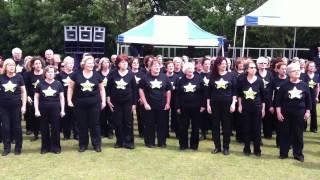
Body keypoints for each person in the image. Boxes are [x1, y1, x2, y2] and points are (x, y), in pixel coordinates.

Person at [68, 55, 106, 152]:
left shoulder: (98, 75)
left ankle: (96, 144)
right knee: (82, 124)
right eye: (89, 63)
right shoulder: (76, 74)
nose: (91, 65)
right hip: (80, 104)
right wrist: (69, 100)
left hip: (95, 104)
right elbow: (70, 88)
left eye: (92, 63)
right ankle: (83, 145)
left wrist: (104, 101)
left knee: (95, 124)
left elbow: (102, 89)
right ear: (83, 64)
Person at [276, 63, 311, 162]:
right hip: (285, 113)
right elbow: (278, 100)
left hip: (300, 113)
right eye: (294, 71)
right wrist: (278, 113)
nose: (297, 72)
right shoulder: (284, 85)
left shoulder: (304, 85)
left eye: (298, 70)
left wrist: (308, 112)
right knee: (285, 133)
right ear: (289, 73)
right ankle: (283, 153)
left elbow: (308, 100)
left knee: (298, 134)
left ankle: (298, 154)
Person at [206, 57, 237, 155]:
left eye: (225, 63)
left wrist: (233, 103)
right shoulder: (212, 76)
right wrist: (208, 105)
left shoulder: (231, 75)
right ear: (217, 65)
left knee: (226, 127)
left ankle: (226, 147)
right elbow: (209, 92)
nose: (224, 65)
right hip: (215, 104)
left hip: (227, 104)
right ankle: (217, 147)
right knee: (215, 127)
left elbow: (235, 91)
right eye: (222, 64)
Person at [139, 57, 171, 148]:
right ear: (150, 67)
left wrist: (168, 103)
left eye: (158, 65)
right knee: (149, 124)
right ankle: (150, 142)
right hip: (149, 105)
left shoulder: (165, 77)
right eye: (155, 65)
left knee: (162, 124)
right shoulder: (145, 78)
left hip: (162, 105)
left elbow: (168, 90)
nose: (157, 67)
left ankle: (162, 142)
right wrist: (145, 103)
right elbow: (141, 90)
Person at [107, 54, 137, 149]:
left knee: (128, 122)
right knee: (118, 122)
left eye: (126, 62)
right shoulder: (112, 73)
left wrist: (134, 104)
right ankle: (119, 141)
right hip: (116, 102)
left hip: (128, 102)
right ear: (118, 64)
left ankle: (129, 142)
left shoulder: (131, 74)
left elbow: (134, 90)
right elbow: (108, 88)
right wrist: (108, 99)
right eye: (122, 62)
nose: (125, 64)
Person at [34, 66, 65, 154]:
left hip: (55, 108)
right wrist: (36, 110)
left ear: (54, 74)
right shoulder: (40, 84)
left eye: (52, 72)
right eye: (48, 72)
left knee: (56, 128)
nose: (51, 74)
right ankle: (45, 147)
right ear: (45, 74)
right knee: (44, 128)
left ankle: (55, 147)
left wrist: (62, 110)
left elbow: (62, 98)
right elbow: (36, 98)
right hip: (43, 108)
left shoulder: (58, 84)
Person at [238, 60, 265, 156]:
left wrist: (263, 109)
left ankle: (257, 149)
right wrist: (240, 105)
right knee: (246, 128)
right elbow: (240, 95)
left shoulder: (259, 81)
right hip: (245, 108)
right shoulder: (242, 80)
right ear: (247, 69)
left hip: (257, 107)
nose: (254, 69)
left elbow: (263, 96)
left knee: (257, 129)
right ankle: (247, 148)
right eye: (251, 68)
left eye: (255, 67)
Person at [0, 59, 27, 156]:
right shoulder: (1, 77)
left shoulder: (19, 77)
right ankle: (6, 148)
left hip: (16, 106)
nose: (12, 67)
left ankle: (18, 148)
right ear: (5, 67)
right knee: (5, 128)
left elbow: (23, 92)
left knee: (17, 127)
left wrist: (24, 105)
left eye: (13, 65)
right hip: (3, 107)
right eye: (9, 65)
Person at [175, 62, 204, 150]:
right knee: (183, 127)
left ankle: (194, 145)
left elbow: (203, 93)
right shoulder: (180, 80)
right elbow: (177, 95)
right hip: (184, 107)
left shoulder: (199, 79)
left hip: (197, 107)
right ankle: (183, 145)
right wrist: (178, 107)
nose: (190, 70)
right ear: (185, 71)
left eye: (191, 68)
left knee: (195, 127)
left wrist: (203, 105)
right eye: (188, 69)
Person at [56, 56, 78, 140]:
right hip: (63, 99)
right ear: (64, 64)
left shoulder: (76, 74)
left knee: (75, 117)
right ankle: (66, 134)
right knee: (65, 117)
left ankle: (76, 134)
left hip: (75, 98)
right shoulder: (59, 75)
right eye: (69, 63)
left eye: (72, 63)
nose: (71, 65)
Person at [24, 56, 45, 141]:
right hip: (32, 98)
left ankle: (44, 133)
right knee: (33, 117)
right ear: (32, 65)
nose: (38, 65)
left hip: (44, 98)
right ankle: (35, 133)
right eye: (36, 63)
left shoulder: (45, 73)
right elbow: (25, 87)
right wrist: (27, 96)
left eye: (39, 63)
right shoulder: (28, 75)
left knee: (44, 117)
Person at [270, 62, 288, 147]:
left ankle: (288, 143)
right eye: (282, 69)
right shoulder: (274, 80)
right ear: (278, 70)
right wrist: (270, 106)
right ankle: (279, 142)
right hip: (277, 106)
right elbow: (270, 94)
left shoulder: (289, 80)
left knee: (288, 125)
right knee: (279, 126)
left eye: (285, 69)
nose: (284, 70)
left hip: (288, 106)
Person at [256, 57, 274, 139]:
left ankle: (268, 133)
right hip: (258, 99)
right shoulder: (255, 73)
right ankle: (257, 134)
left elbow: (273, 87)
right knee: (258, 118)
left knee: (268, 117)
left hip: (269, 99)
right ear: (257, 65)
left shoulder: (270, 74)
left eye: (264, 63)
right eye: (261, 63)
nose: (263, 65)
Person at [97, 57, 113, 139]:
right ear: (101, 64)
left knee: (111, 116)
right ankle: (103, 131)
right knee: (102, 116)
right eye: (104, 62)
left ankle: (110, 132)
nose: (106, 64)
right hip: (100, 97)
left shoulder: (113, 73)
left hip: (111, 97)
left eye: (107, 62)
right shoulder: (97, 73)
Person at [301, 61, 319, 133]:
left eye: (313, 66)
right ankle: (303, 127)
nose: (312, 67)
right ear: (307, 67)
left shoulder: (317, 76)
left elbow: (317, 87)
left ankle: (313, 128)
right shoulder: (303, 75)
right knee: (304, 111)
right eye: (310, 66)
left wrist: (317, 96)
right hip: (305, 96)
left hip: (313, 96)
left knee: (313, 112)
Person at [130, 57, 145, 138]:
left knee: (141, 116)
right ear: (131, 64)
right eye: (134, 63)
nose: (136, 64)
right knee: (129, 116)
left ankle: (142, 133)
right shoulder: (128, 73)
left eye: (137, 63)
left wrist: (142, 97)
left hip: (140, 98)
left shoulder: (142, 74)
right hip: (130, 97)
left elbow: (144, 87)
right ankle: (129, 132)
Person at [165, 61, 179, 138]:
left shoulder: (176, 77)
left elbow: (179, 87)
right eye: (169, 66)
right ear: (166, 68)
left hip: (174, 99)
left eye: (172, 66)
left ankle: (177, 133)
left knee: (175, 116)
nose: (171, 68)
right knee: (165, 116)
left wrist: (174, 88)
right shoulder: (163, 76)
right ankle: (166, 132)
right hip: (165, 99)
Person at [200, 57, 211, 140]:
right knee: (202, 117)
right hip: (202, 99)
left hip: (211, 98)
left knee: (212, 117)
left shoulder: (213, 75)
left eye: (208, 64)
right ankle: (203, 133)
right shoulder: (199, 75)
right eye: (206, 64)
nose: (207, 65)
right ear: (202, 65)